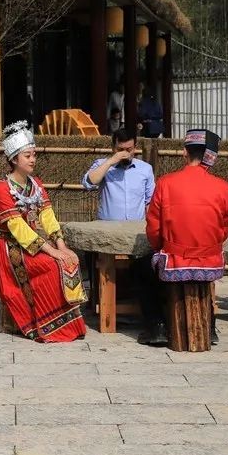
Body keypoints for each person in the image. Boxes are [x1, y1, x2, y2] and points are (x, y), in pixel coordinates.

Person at [0, 121, 87, 342]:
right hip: (7, 249)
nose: (33, 159)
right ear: (14, 159)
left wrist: (61, 245)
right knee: (52, 265)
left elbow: (48, 215)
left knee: (69, 260)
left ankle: (69, 323)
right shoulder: (2, 189)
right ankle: (44, 325)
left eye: (34, 155)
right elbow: (17, 227)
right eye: (27, 156)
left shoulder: (36, 184)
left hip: (30, 244)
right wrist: (52, 252)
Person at [144, 129, 228, 345]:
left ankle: (158, 327)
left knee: (142, 271)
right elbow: (224, 228)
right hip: (211, 261)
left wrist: (159, 247)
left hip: (175, 260)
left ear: (185, 152)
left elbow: (154, 228)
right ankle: (209, 328)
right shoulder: (223, 187)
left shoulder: (165, 183)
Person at [82, 128, 158, 341]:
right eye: (121, 149)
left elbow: (150, 201)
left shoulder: (145, 169)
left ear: (135, 147)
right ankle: (101, 303)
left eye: (130, 149)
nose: (126, 153)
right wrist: (112, 160)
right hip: (108, 233)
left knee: (144, 265)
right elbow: (89, 182)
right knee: (94, 257)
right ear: (113, 147)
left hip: (135, 231)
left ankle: (139, 306)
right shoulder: (103, 165)